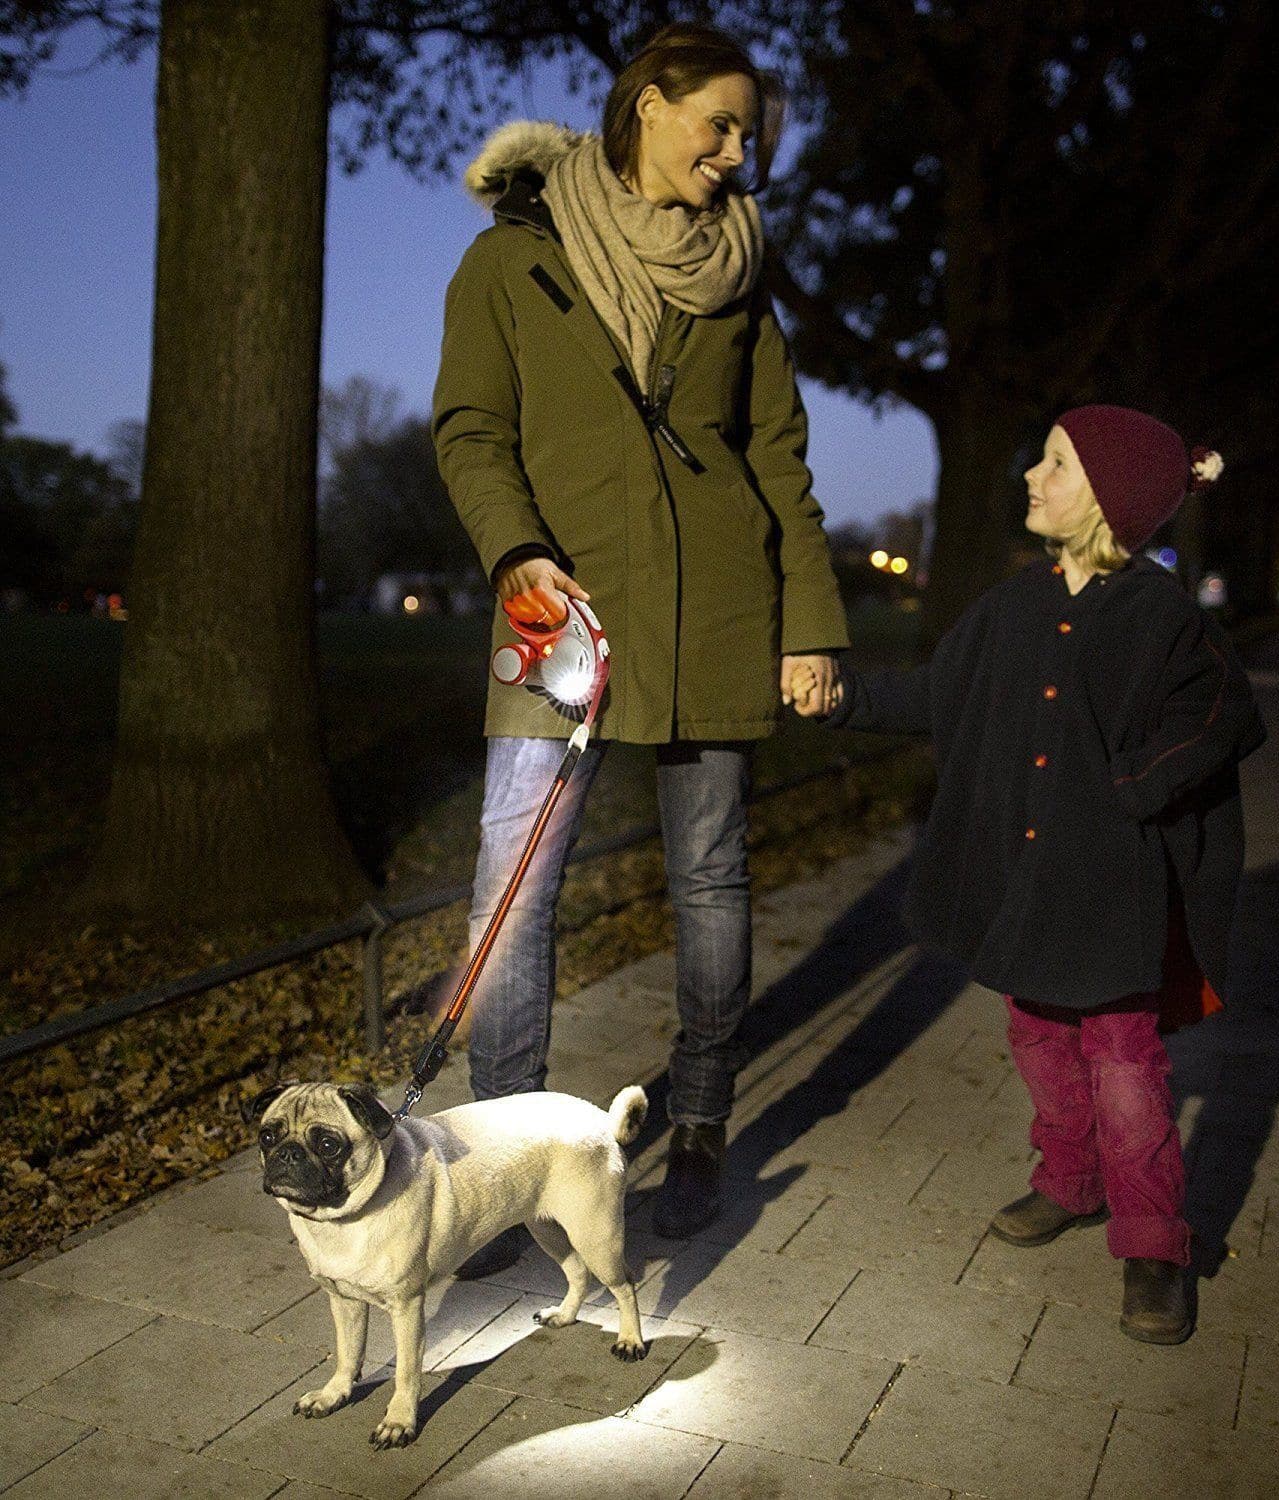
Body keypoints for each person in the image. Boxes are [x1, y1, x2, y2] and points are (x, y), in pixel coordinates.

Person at [432, 24, 848, 1260]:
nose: (737, 152)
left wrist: (811, 625)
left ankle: (703, 1122)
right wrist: (516, 552)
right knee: (512, 892)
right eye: (721, 123)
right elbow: (469, 430)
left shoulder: (740, 275)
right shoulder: (511, 259)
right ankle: (506, 1159)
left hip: (718, 606)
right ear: (651, 105)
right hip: (553, 610)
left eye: (749, 136)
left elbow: (778, 459)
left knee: (710, 879)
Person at [791, 406, 1265, 1342]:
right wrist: (842, 697)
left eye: (1055, 464)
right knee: (1039, 1034)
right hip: (1027, 877)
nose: (1031, 478)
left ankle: (1154, 1244)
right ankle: (1072, 1181)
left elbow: (1224, 715)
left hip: (1115, 884)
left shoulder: (1163, 617)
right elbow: (938, 695)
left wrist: (1133, 789)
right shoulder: (1012, 605)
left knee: (1123, 1062)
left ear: (1109, 496)